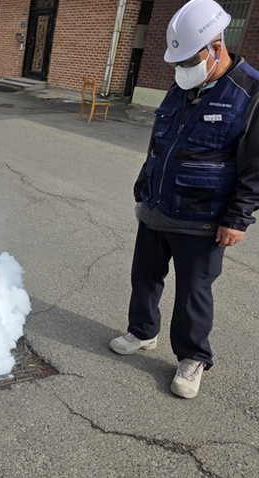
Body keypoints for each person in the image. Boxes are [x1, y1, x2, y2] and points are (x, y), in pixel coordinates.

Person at [109, 0, 259, 399]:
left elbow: (255, 167)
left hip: (203, 218)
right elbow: (160, 143)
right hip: (157, 207)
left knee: (194, 292)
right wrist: (144, 186)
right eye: (178, 63)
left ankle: (193, 357)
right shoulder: (182, 85)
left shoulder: (251, 93)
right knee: (144, 277)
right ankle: (142, 332)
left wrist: (238, 218)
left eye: (189, 61)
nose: (182, 71)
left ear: (216, 47)